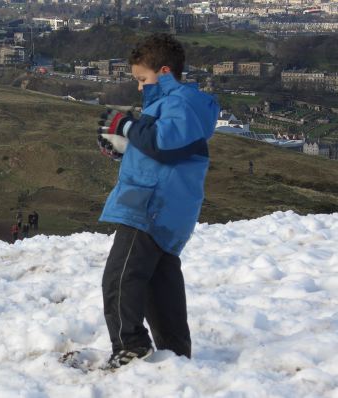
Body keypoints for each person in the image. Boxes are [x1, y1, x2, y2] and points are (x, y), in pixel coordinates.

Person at [97, 33, 219, 369]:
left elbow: (164, 144)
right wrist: (122, 149)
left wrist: (125, 127)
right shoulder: (176, 104)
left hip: (151, 206)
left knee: (119, 278)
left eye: (142, 79)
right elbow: (164, 152)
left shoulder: (180, 102)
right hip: (164, 205)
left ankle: (130, 345)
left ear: (163, 71)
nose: (138, 87)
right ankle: (175, 355)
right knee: (157, 282)